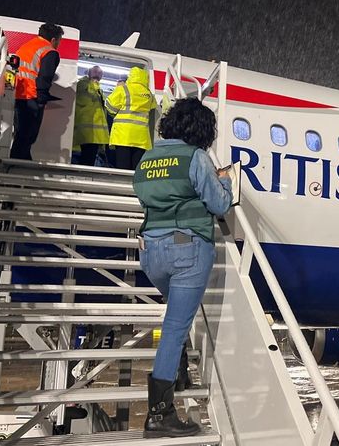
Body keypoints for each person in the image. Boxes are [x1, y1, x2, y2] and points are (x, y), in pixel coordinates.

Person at [133, 97, 232, 438]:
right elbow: (218, 204)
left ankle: (178, 371)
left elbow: (147, 197)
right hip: (186, 248)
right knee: (176, 326)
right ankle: (160, 414)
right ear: (202, 129)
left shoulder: (147, 158)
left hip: (150, 252)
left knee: (175, 319)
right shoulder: (196, 157)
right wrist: (226, 181)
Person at [10, 23, 64, 160]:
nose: (59, 44)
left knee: (20, 135)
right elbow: (45, 77)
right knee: (28, 136)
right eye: (59, 41)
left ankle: (21, 165)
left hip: (18, 95)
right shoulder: (49, 51)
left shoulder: (26, 46)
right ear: (53, 40)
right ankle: (16, 169)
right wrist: (41, 100)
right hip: (32, 97)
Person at [106, 66, 155, 169]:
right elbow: (152, 109)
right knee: (136, 169)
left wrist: (117, 88)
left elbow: (110, 107)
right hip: (141, 138)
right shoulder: (149, 94)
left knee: (123, 168)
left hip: (123, 136)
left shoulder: (123, 89)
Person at [72, 66, 109, 166]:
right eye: (96, 73)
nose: (98, 76)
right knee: (86, 159)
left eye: (100, 74)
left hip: (94, 132)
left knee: (89, 159)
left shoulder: (98, 89)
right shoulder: (82, 84)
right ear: (89, 73)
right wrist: (94, 84)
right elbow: (84, 101)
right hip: (87, 131)